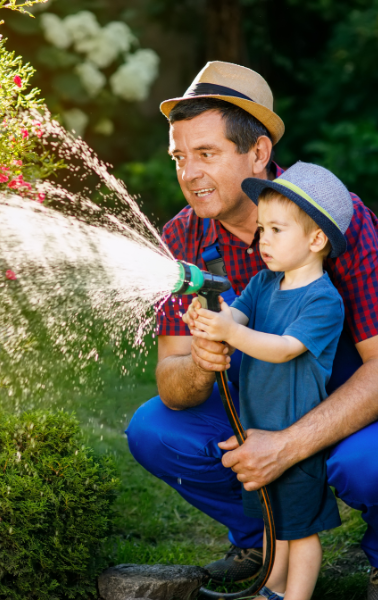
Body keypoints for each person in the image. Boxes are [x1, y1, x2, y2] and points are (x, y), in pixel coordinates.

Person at [126, 61, 378, 599]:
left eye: (207, 154)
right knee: (155, 429)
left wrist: (287, 445)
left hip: (339, 391)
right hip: (260, 398)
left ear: (258, 153)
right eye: (179, 157)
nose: (189, 173)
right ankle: (260, 539)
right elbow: (171, 381)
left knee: (366, 463)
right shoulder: (183, 239)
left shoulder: (336, 221)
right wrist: (201, 356)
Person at [183, 161, 353, 600]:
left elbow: (283, 348)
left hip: (295, 437)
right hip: (257, 432)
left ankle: (296, 596)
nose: (262, 240)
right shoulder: (262, 283)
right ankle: (270, 588)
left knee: (301, 530)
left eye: (277, 230)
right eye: (261, 229)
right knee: (271, 518)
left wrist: (232, 334)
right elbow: (233, 316)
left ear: (316, 239)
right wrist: (210, 319)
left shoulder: (323, 300)